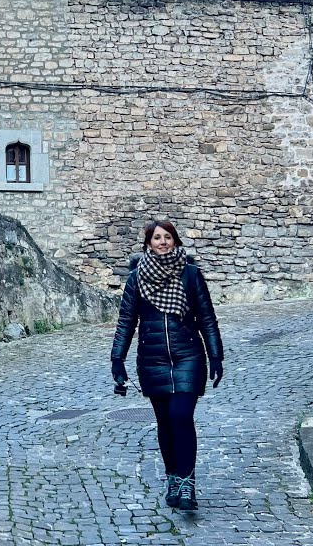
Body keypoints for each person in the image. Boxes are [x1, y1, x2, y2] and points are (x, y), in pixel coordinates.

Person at [110, 219, 224, 511]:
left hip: (188, 356)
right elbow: (126, 321)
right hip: (153, 359)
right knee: (164, 422)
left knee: (181, 416)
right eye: (157, 238)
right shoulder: (136, 278)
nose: (163, 242)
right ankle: (173, 476)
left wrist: (216, 355)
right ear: (148, 243)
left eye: (168, 237)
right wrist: (117, 359)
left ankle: (187, 483)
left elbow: (207, 318)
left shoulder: (191, 275)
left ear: (175, 241)